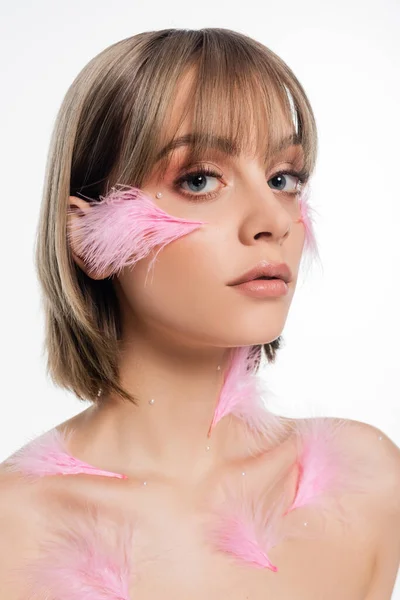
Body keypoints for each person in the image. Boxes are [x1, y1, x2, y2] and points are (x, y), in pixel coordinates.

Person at [0, 27, 399, 599]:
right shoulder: (14, 533)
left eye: (283, 178)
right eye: (199, 179)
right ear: (86, 237)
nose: (273, 220)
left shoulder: (365, 483)